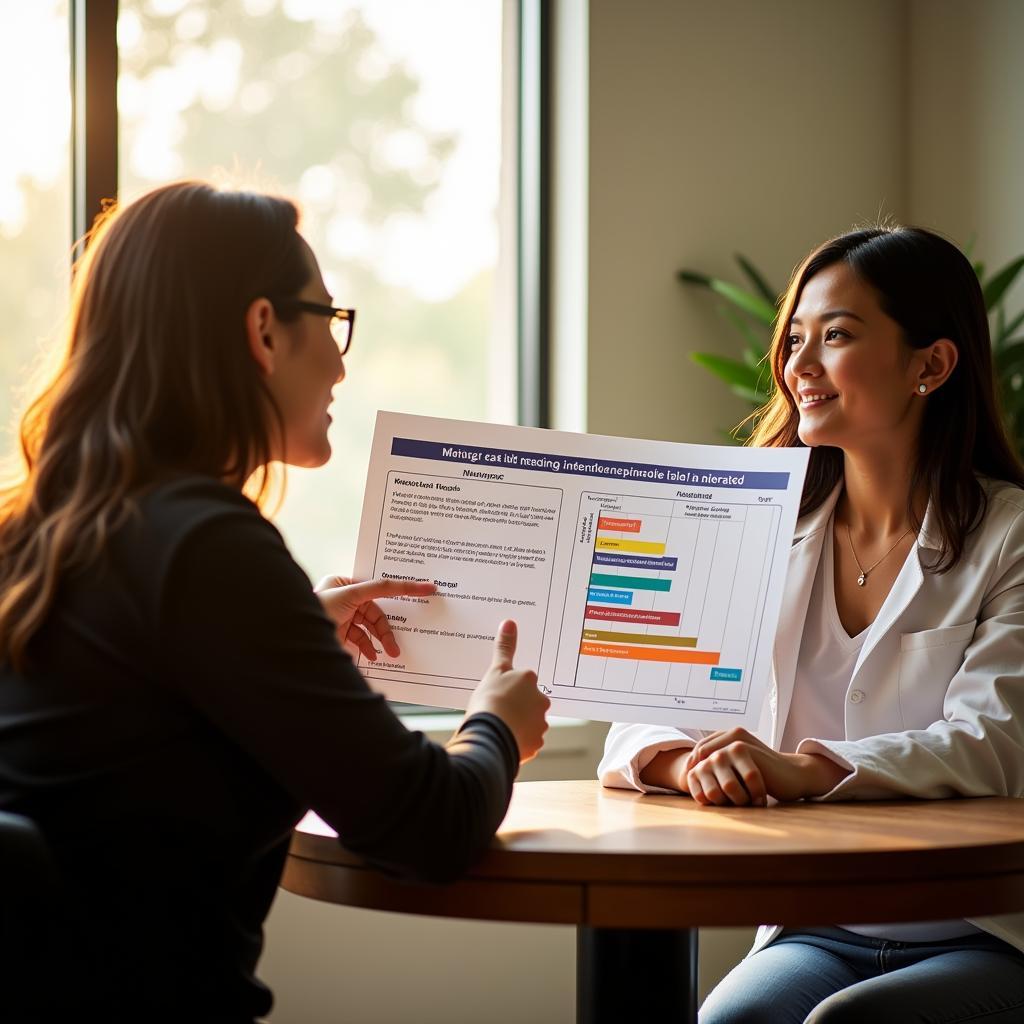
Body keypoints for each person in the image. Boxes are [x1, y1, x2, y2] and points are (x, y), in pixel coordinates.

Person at [0, 181, 550, 1021]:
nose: (339, 358)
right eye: (328, 319)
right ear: (263, 331)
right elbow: (429, 826)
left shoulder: (33, 530)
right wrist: (497, 725)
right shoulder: (205, 546)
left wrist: (290, 637)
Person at [598, 226, 1024, 1022]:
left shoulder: (1011, 536)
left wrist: (803, 770)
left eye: (836, 336)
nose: (799, 366)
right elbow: (641, 715)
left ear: (931, 365)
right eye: (794, 339)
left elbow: (990, 745)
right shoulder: (760, 527)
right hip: (821, 925)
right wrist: (691, 763)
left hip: (985, 928)